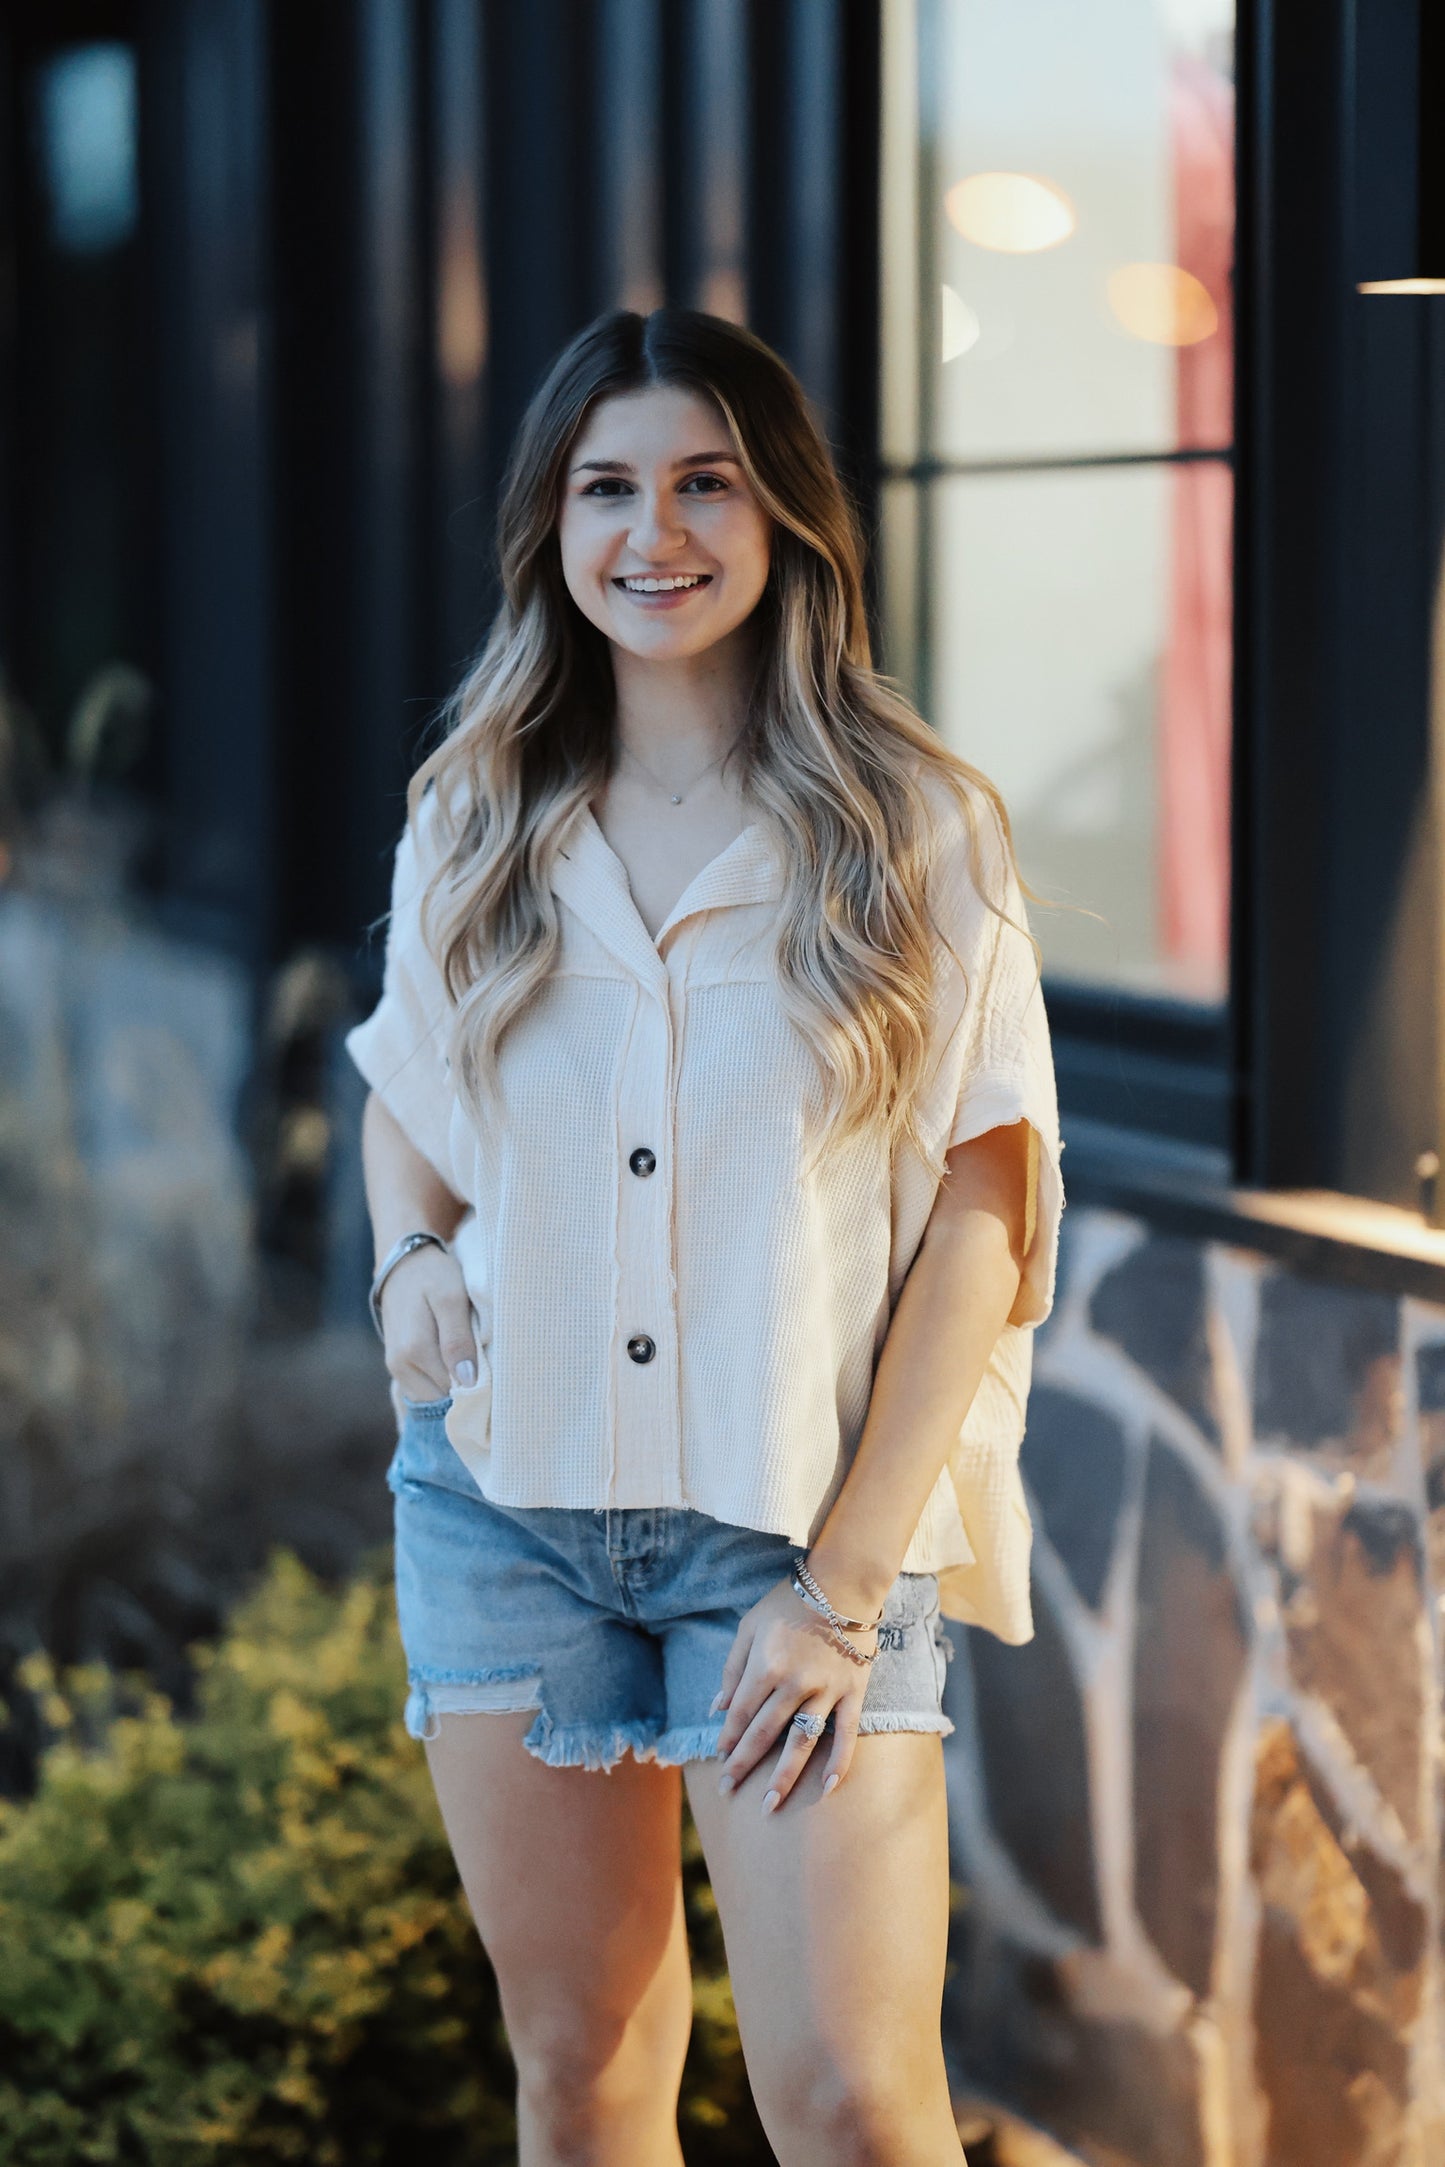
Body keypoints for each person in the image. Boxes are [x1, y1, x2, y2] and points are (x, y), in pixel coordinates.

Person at [348, 307, 1062, 2167]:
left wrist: (841, 1587)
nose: (650, 533)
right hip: (506, 1513)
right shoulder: (475, 812)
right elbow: (407, 1103)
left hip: (797, 1534)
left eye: (702, 484)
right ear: (551, 529)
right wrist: (408, 1263)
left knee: (848, 2100)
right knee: (582, 2072)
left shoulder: (915, 830)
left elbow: (980, 1219)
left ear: (785, 522)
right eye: (605, 489)